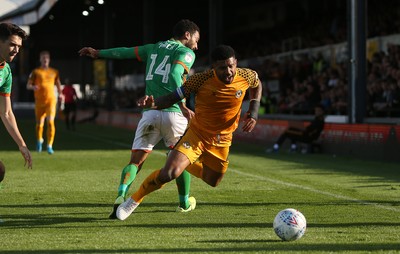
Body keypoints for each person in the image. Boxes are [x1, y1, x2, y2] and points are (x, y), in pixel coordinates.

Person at [116, 44, 262, 221]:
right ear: (213, 67)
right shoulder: (199, 80)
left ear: (236, 63)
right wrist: (153, 103)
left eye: (231, 66)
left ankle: (178, 157)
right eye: (223, 68)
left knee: (213, 181)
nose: (229, 71)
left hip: (222, 140)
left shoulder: (246, 75)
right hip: (197, 134)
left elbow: (257, 84)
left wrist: (253, 112)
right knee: (168, 174)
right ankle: (132, 201)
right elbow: (171, 98)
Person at [78, 19, 200, 219]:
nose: (197, 45)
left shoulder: (152, 48)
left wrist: (99, 53)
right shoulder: (185, 53)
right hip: (174, 114)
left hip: (150, 112)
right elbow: (176, 72)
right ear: (187, 35)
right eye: (196, 39)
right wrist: (182, 105)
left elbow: (124, 51)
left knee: (135, 161)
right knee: (181, 159)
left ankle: (121, 195)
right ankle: (184, 202)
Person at [0, 22, 32, 171]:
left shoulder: (6, 71)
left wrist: (22, 144)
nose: (16, 50)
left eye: (19, 46)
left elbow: (6, 113)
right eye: (13, 45)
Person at [27, 50, 62, 155]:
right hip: (39, 102)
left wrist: (61, 94)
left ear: (49, 59)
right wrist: (33, 87)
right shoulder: (36, 72)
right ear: (40, 59)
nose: (45, 59)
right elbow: (28, 85)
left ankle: (50, 145)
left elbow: (58, 84)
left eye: (46, 58)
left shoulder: (54, 72)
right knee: (39, 124)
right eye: (43, 58)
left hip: (51, 101)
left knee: (50, 122)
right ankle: (39, 141)